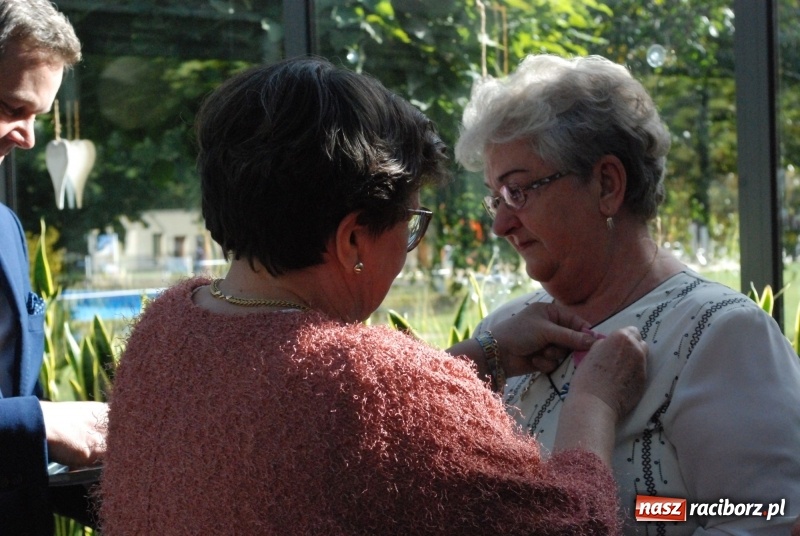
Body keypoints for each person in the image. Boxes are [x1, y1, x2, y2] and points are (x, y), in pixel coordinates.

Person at [99, 56, 649, 535]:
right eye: (409, 223)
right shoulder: (381, 386)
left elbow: (301, 427)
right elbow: (577, 526)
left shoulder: (162, 330)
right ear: (353, 240)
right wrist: (594, 401)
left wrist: (483, 355)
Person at [454, 53, 800, 535]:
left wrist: (649, 510)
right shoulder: (502, 333)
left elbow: (760, 518)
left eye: (517, 191)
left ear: (607, 185)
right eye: (496, 198)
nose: (500, 224)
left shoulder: (721, 334)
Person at [0, 0, 107, 532]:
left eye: (36, 117)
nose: (27, 137)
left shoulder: (6, 229)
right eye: (11, 108)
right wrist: (43, 421)